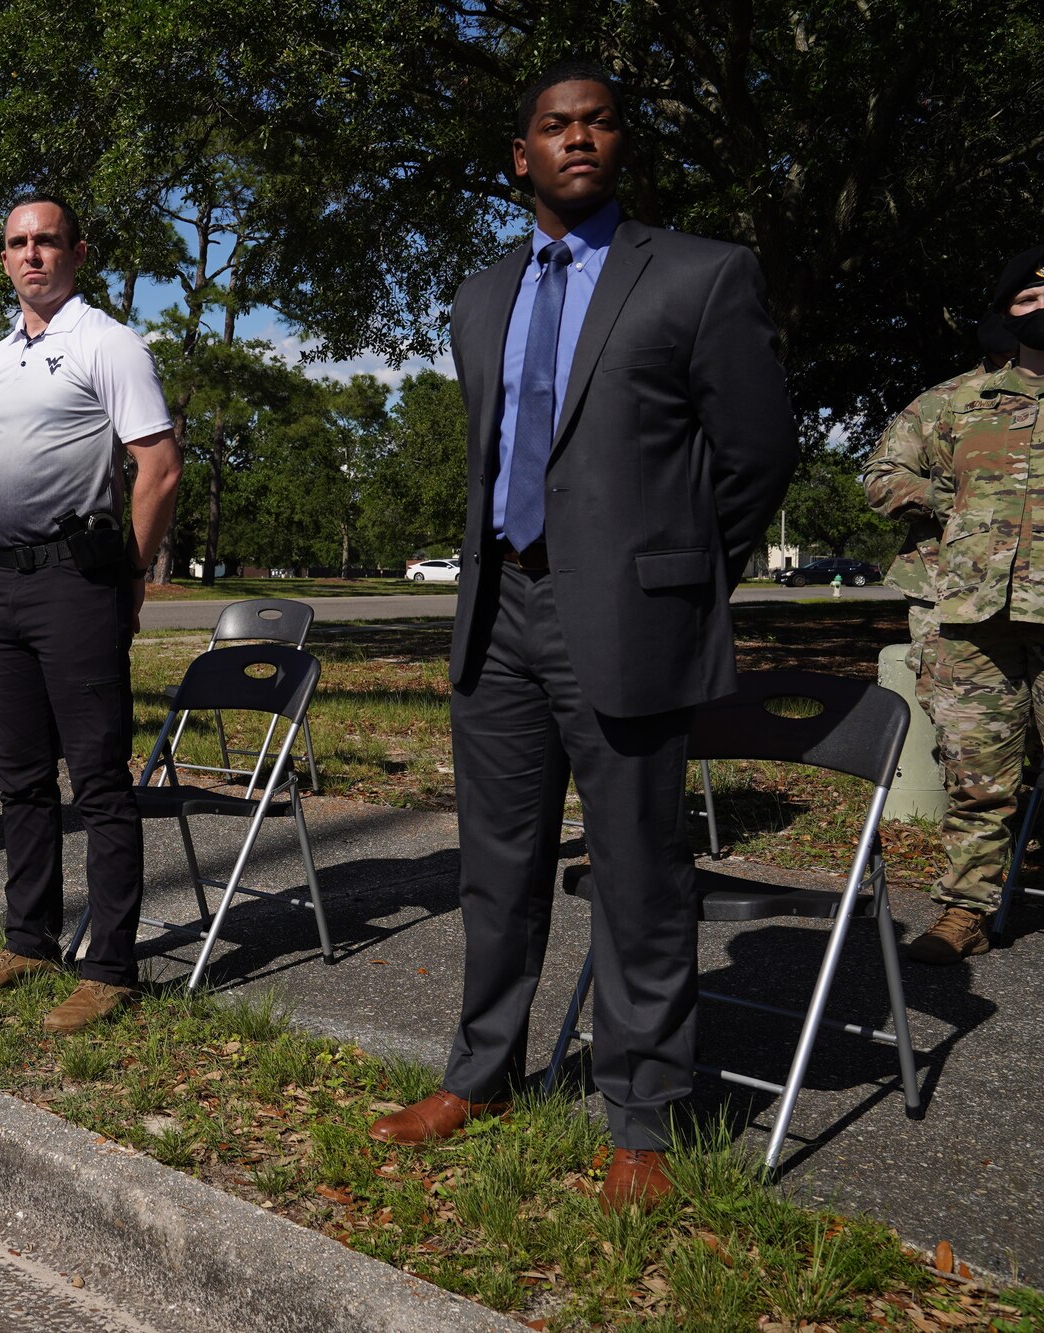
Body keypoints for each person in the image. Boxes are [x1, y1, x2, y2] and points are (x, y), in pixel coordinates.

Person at [365, 62, 797, 1210]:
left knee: (638, 876)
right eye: (553, 126)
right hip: (496, 615)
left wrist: (676, 572)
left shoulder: (701, 276)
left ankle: (642, 1116)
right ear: (520, 156)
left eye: (597, 122)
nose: (576, 138)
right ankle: (481, 1073)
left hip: (628, 621)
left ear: (621, 146)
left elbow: (755, 454)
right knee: (495, 868)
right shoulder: (477, 294)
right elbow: (492, 456)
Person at [0, 194, 182, 1034]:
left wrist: (130, 580)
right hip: (0, 584)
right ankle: (29, 940)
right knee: (19, 776)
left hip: (76, 584)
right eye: (17, 243)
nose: (32, 254)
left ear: (78, 251)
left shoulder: (109, 343)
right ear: (4, 258)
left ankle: (112, 965)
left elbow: (156, 466)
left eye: (47, 240)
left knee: (101, 780)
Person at [869, 245, 1044, 963]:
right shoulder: (953, 401)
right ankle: (965, 909)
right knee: (977, 773)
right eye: (1031, 298)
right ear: (1007, 311)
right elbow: (881, 477)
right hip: (972, 620)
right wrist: (952, 503)